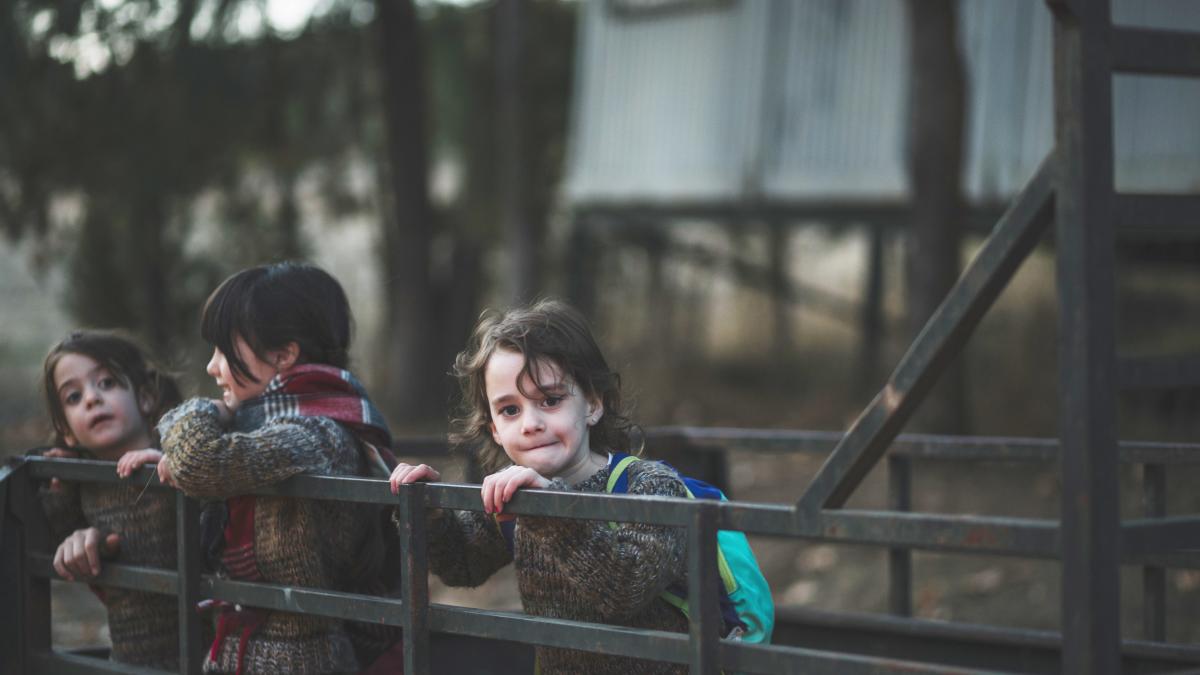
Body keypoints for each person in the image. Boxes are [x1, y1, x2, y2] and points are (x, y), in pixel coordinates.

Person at [390, 299, 690, 675]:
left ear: (593, 404)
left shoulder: (650, 487)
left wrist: (549, 508)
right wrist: (429, 513)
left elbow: (624, 590)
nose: (530, 423)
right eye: (510, 410)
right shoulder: (516, 493)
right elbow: (462, 566)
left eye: (550, 400)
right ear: (494, 428)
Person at [155, 262, 399, 674]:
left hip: (301, 660)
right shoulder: (261, 428)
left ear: (284, 355)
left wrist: (200, 412)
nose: (212, 367)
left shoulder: (317, 434)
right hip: (237, 650)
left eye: (224, 350)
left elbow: (199, 461)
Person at [38, 329, 182, 669]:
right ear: (67, 429)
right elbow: (74, 538)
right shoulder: (80, 486)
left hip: (210, 652)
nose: (91, 399)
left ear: (145, 397)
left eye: (106, 383)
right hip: (133, 658)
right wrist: (85, 540)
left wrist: (171, 462)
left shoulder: (183, 449)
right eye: (73, 397)